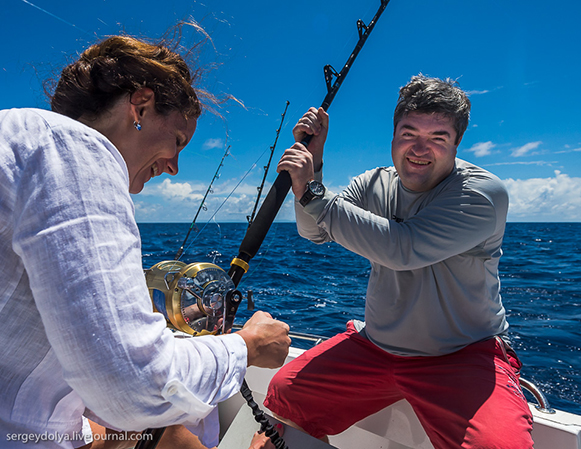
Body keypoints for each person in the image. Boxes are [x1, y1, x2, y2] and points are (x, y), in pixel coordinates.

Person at [0, 34, 290, 449]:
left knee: (159, 432)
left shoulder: (23, 137)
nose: (173, 167)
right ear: (140, 106)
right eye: (178, 141)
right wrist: (248, 345)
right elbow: (130, 384)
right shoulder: (73, 149)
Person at [266, 75, 534, 448]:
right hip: (376, 346)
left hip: (460, 355)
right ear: (393, 135)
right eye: (409, 133)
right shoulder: (373, 183)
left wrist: (312, 191)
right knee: (283, 394)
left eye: (438, 137)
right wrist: (316, 163)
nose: (420, 148)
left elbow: (403, 249)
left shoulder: (482, 193)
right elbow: (316, 231)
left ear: (457, 143)